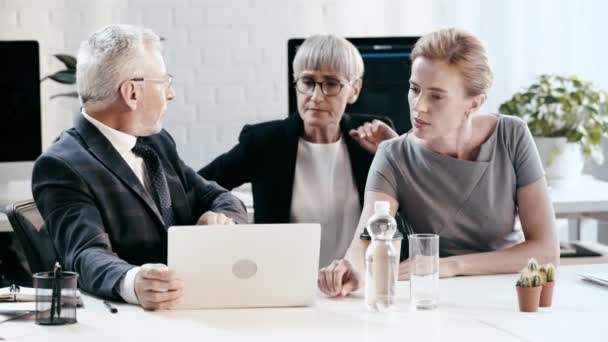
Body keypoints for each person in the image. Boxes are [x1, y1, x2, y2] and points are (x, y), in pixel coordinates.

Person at [319, 28, 560, 297]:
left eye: (436, 96)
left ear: (474, 103)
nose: (418, 106)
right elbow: (366, 240)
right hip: (434, 295)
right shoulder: (392, 155)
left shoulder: (511, 136)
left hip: (508, 291)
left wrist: (451, 265)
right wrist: (350, 269)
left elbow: (545, 250)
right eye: (414, 89)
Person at [32, 24, 247, 310]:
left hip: (195, 305)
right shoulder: (61, 166)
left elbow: (218, 196)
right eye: (164, 82)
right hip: (133, 322)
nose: (171, 94)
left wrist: (221, 217)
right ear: (132, 93)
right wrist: (133, 281)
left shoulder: (156, 142)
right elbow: (84, 254)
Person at [199, 34, 395, 268]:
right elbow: (195, 188)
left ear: (354, 90)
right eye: (308, 82)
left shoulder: (372, 137)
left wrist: (395, 152)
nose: (316, 96)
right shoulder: (264, 142)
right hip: (284, 283)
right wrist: (225, 214)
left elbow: (415, 207)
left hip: (360, 283)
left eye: (331, 84)